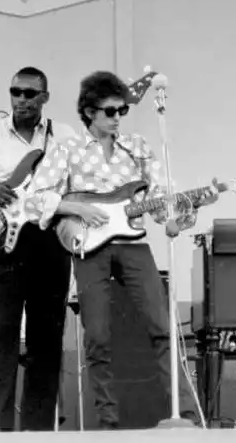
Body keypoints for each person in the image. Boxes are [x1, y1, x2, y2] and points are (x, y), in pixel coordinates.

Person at [22, 70, 216, 429]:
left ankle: (186, 417)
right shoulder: (67, 149)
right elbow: (33, 201)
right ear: (89, 112)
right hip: (90, 248)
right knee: (97, 337)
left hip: (134, 244)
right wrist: (74, 207)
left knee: (162, 327)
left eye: (121, 111)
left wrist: (183, 212)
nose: (117, 118)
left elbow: (160, 201)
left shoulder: (138, 147)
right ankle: (108, 425)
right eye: (110, 111)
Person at [0, 66, 76, 432]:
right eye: (16, 92)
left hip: (50, 239)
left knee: (47, 336)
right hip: (5, 243)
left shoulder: (66, 137)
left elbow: (78, 188)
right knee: (3, 335)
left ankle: (39, 429)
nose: (22, 99)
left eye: (30, 93)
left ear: (45, 97)